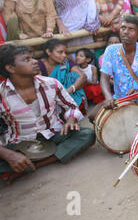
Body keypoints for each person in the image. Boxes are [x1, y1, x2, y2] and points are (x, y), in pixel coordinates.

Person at [0, 44, 95, 185]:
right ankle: (25, 162)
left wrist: (71, 118)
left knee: (88, 135)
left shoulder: (51, 84)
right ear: (10, 68)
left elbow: (71, 107)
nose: (34, 62)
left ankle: (34, 165)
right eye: (27, 60)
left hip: (54, 135)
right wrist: (8, 155)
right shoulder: (1, 94)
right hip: (19, 144)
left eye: (32, 58)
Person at [37, 39, 87, 112]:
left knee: (73, 76)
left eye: (65, 52)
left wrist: (68, 91)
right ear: (48, 52)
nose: (64, 55)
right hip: (51, 98)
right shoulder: (39, 65)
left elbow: (83, 77)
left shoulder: (66, 61)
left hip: (68, 94)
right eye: (60, 52)